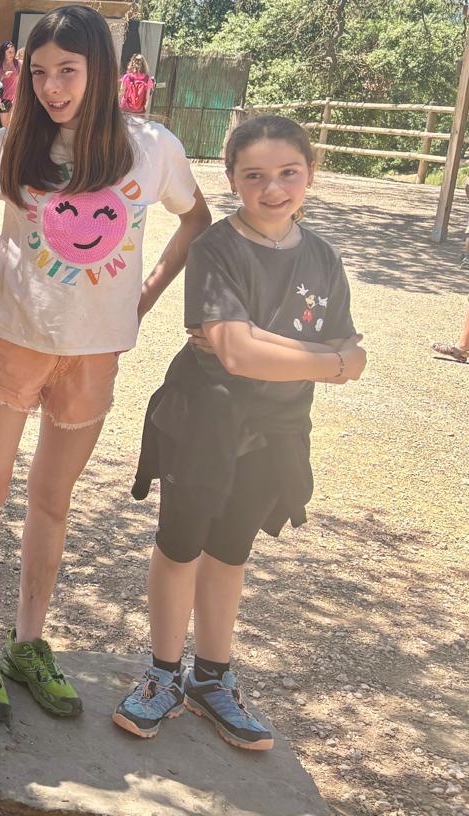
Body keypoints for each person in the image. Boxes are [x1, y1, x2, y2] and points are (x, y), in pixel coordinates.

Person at [0, 5, 210, 722]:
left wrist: (143, 300)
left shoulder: (150, 148)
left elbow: (196, 219)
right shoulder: (13, 145)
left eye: (67, 70)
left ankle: (28, 642)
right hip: (14, 342)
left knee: (53, 501)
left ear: (102, 70)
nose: (51, 87)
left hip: (95, 356)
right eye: (39, 72)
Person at [115, 115, 364, 751]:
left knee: (231, 551)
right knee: (180, 545)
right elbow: (234, 352)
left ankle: (211, 679)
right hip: (205, 418)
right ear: (231, 180)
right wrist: (325, 359)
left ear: (311, 173)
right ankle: (162, 674)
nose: (272, 188)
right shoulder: (215, 248)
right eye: (254, 175)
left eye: (288, 173)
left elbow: (354, 356)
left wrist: (277, 349)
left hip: (278, 428)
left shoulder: (323, 256)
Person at [0, 42, 20, 128]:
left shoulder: (18, 64)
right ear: (3, 52)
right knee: (5, 127)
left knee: (13, 125)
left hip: (16, 100)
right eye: (9, 52)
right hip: (4, 99)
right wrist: (2, 76)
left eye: (13, 51)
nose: (12, 54)